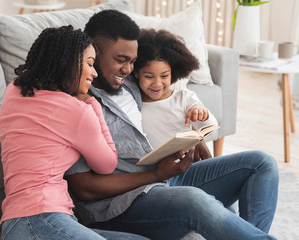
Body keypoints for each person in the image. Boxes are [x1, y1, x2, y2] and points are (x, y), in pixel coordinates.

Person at [65, 10, 279, 240]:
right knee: (195, 200)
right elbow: (83, 187)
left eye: (132, 62)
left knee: (261, 164)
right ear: (92, 53)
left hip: (165, 179)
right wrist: (155, 175)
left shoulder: (128, 83)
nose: (127, 70)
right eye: (120, 60)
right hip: (121, 205)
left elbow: (163, 79)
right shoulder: (76, 101)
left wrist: (190, 138)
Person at [0, 25, 149, 240]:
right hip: (40, 217)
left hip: (20, 222)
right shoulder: (77, 111)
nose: (94, 73)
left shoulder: (14, 89)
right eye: (90, 63)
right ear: (67, 63)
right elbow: (106, 165)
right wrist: (92, 104)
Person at [133, 28, 218, 159]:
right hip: (157, 172)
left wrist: (201, 112)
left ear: (173, 72)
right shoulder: (133, 103)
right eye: (149, 77)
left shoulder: (185, 98)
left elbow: (210, 126)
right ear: (136, 73)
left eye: (164, 76)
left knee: (258, 159)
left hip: (189, 166)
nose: (157, 83)